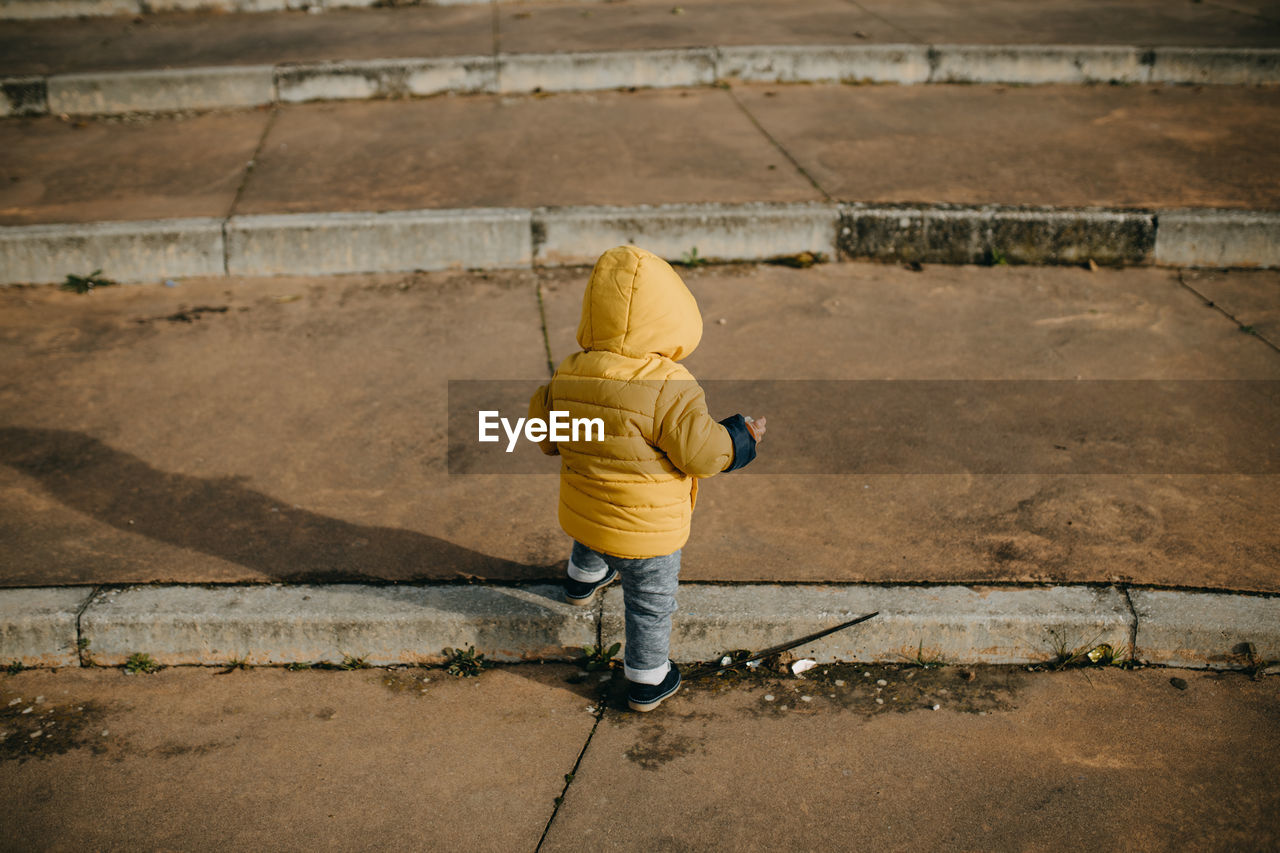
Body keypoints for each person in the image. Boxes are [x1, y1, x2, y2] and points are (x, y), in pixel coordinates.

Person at [528, 245, 765, 712]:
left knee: (596, 511)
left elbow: (544, 437)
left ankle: (582, 578)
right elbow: (701, 454)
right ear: (674, 317)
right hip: (647, 536)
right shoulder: (669, 385)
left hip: (585, 513)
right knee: (649, 603)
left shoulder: (569, 372)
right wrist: (741, 437)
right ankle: (648, 677)